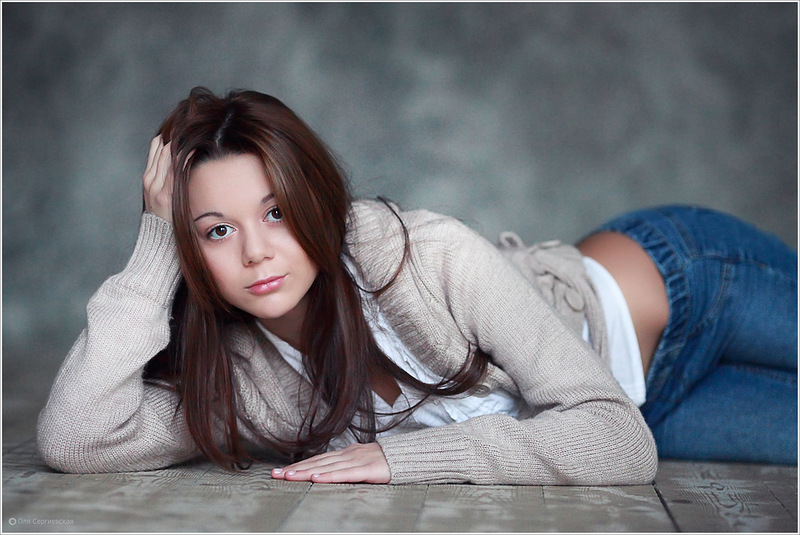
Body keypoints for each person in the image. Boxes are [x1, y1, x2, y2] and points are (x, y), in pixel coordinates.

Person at [36, 87, 797, 485]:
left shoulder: (421, 255)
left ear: (313, 200)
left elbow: (613, 439)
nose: (257, 252)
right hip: (651, 403)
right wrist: (155, 246)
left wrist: (405, 459)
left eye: (275, 212)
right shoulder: (241, 377)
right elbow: (75, 438)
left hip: (683, 284)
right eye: (216, 231)